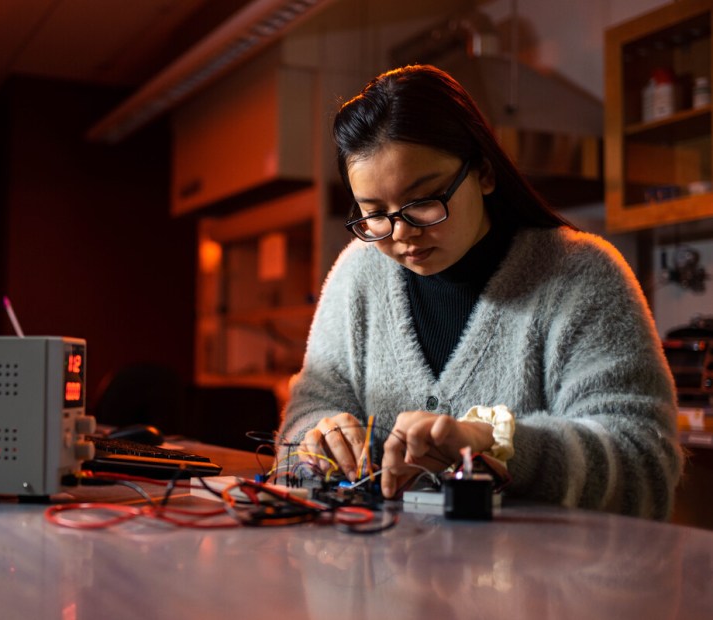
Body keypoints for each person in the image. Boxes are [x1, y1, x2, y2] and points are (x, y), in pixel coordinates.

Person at [277, 64, 683, 520]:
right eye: (375, 214)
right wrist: (319, 438)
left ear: (484, 173)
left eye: (424, 201)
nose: (402, 234)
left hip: (540, 585)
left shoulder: (581, 276)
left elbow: (644, 466)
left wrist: (494, 442)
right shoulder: (356, 276)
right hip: (384, 584)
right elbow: (300, 430)